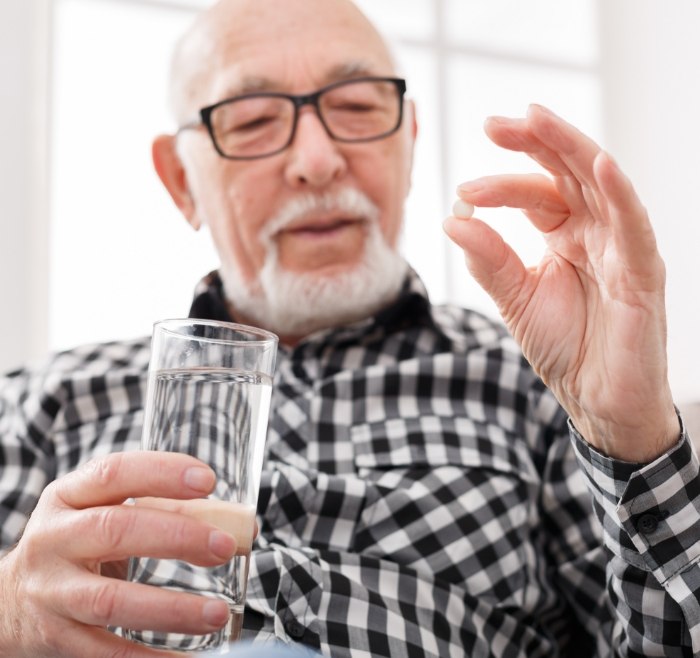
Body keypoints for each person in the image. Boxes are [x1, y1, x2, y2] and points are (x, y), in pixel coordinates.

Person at [0, 0, 697, 656]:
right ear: (182, 180)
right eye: (252, 122)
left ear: (410, 143)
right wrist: (12, 615)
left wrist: (630, 432)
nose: (317, 161)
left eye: (359, 108)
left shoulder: (537, 382)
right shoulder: (41, 402)